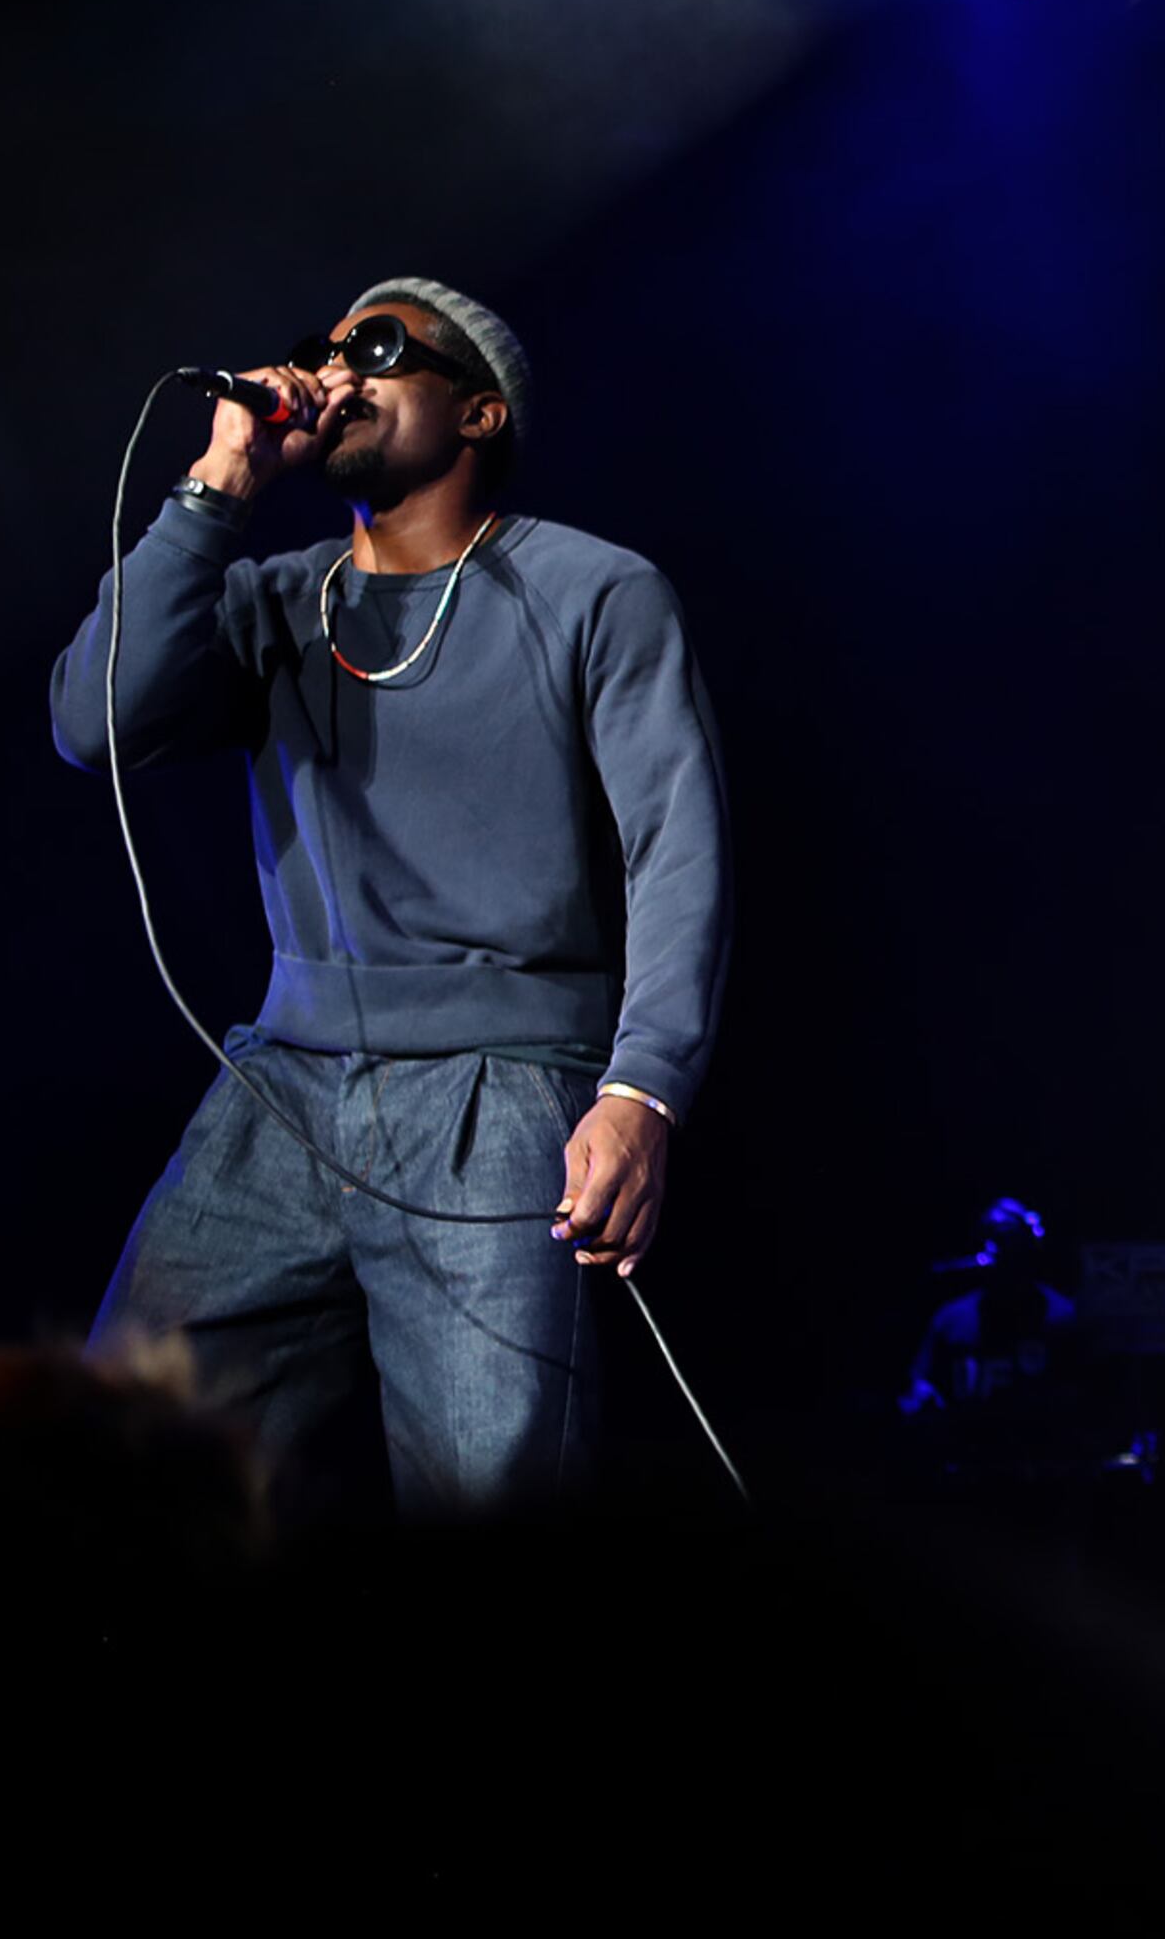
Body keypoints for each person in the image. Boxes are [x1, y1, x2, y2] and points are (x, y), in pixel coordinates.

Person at [49, 280, 731, 1511]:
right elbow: (93, 721)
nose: (339, 374)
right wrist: (217, 490)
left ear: (478, 414)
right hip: (282, 1089)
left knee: (494, 1513)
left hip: (500, 1094)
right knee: (118, 1459)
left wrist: (644, 1091)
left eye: (379, 350)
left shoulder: (594, 591)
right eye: (327, 351)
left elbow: (677, 848)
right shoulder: (272, 601)